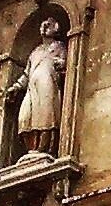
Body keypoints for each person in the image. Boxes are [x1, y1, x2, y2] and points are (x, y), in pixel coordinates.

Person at [8, 17, 67, 158]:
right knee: (25, 116)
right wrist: (16, 87)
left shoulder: (58, 47)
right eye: (43, 24)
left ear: (56, 30)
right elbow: (26, 74)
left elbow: (65, 64)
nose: (45, 26)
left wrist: (61, 63)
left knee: (46, 117)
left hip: (48, 86)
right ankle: (31, 148)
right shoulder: (35, 52)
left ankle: (43, 148)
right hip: (32, 88)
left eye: (49, 25)